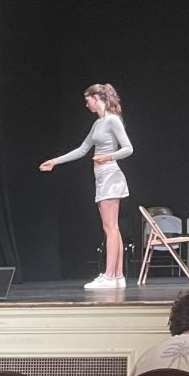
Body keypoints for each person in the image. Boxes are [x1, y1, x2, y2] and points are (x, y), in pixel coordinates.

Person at [40, 82, 133, 289]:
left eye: (87, 100)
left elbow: (128, 148)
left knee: (110, 227)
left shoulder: (112, 120)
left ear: (96, 98)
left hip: (110, 174)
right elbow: (82, 149)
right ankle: (117, 276)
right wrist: (55, 161)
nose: (86, 104)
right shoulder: (98, 124)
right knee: (111, 227)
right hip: (101, 176)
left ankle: (110, 276)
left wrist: (108, 156)